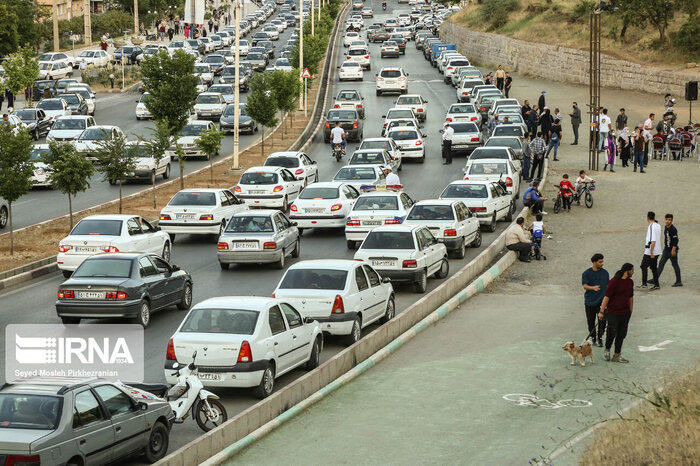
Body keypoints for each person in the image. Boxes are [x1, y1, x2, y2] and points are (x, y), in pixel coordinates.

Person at [598, 263, 634, 363]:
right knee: (611, 332)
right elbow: (607, 297)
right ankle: (607, 349)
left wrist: (631, 310)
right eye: (632, 270)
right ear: (627, 270)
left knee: (621, 334)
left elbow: (631, 297)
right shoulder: (613, 282)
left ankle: (617, 355)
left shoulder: (630, 282)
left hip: (625, 313)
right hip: (613, 312)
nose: (633, 272)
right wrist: (601, 311)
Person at [582, 253, 609, 347]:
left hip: (601, 302)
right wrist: (593, 288)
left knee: (602, 321)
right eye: (600, 262)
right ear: (594, 262)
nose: (602, 263)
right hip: (590, 302)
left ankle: (600, 338)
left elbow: (607, 287)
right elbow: (584, 286)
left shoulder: (605, 273)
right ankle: (593, 337)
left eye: (602, 261)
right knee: (590, 322)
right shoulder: (586, 273)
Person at [655, 213, 682, 287]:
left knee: (675, 265)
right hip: (666, 250)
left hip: (672, 250)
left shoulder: (673, 229)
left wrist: (673, 250)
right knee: (661, 264)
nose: (667, 221)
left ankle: (679, 281)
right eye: (666, 219)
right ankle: (655, 279)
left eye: (669, 220)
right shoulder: (666, 227)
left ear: (672, 220)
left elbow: (676, 240)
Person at [639, 211, 661, 290]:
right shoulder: (658, 225)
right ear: (654, 217)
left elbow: (653, 240)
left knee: (643, 266)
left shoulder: (651, 226)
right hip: (657, 250)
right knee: (653, 267)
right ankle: (656, 284)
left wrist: (651, 252)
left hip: (651, 251)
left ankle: (644, 283)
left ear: (647, 218)